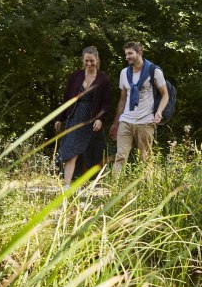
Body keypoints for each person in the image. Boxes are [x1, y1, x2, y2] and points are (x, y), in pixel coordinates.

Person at [54, 46, 112, 188]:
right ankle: (67, 185)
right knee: (72, 151)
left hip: (92, 120)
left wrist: (100, 119)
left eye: (92, 61)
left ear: (97, 60)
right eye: (86, 61)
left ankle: (85, 184)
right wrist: (60, 118)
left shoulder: (103, 79)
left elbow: (107, 102)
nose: (89, 64)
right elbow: (67, 98)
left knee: (90, 153)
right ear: (83, 60)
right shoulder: (76, 76)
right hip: (74, 118)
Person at [110, 41, 169, 176]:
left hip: (145, 121)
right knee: (120, 156)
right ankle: (114, 188)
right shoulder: (124, 73)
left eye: (130, 53)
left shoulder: (154, 71)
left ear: (139, 53)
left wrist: (159, 112)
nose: (127, 57)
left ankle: (146, 190)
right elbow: (123, 99)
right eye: (126, 54)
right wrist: (116, 122)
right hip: (126, 120)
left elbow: (165, 95)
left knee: (145, 158)